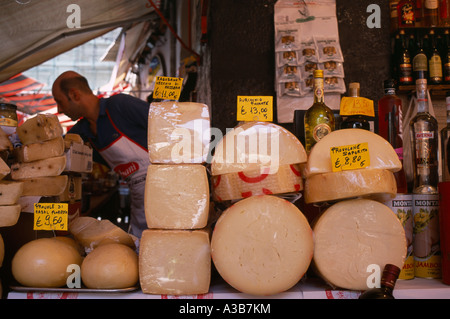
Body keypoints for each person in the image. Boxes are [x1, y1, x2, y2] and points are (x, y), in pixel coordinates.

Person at [52, 70, 150, 238]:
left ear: (75, 95)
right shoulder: (83, 131)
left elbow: (167, 125)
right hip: (139, 202)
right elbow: (56, 147)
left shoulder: (120, 105)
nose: (59, 110)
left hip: (167, 191)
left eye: (59, 102)